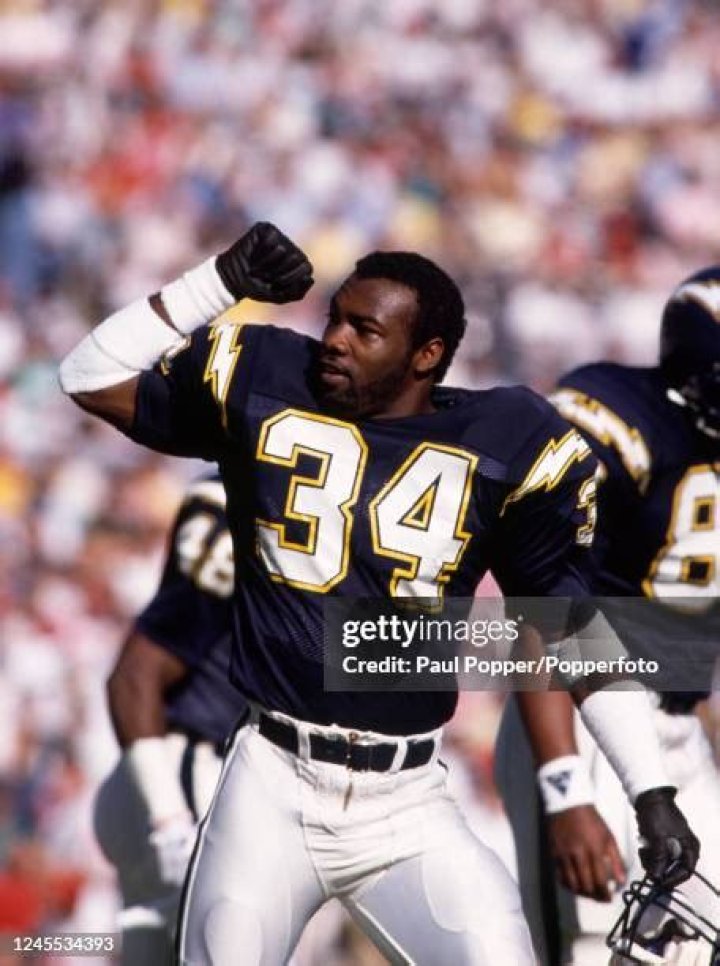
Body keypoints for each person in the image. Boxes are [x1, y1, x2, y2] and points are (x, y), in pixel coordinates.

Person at [59, 221, 699, 965]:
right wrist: (219, 281)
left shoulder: (505, 441)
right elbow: (90, 375)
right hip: (271, 782)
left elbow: (568, 627)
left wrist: (651, 791)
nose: (333, 340)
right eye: (334, 318)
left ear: (426, 355)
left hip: (407, 802)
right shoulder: (269, 382)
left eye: (364, 330)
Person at [495, 266, 720, 965]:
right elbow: (548, 609)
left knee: (697, 942)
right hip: (588, 719)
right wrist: (565, 789)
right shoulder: (621, 417)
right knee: (591, 946)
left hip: (681, 730)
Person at [93, 473, 247, 964]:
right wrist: (170, 817)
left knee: (151, 952)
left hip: (196, 778)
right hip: (187, 775)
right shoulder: (240, 500)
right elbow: (134, 674)